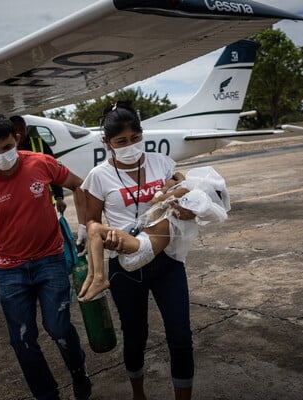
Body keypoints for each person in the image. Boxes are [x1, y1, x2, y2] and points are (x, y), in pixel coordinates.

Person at [0, 113, 91, 400]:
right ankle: (46, 395)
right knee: (22, 339)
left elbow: (79, 185)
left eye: (7, 147)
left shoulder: (41, 163)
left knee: (58, 326)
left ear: (17, 139)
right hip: (9, 269)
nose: (3, 155)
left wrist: (85, 226)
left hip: (50, 260)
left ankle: (78, 371)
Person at [81, 101, 197, 400]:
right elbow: (92, 221)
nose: (130, 146)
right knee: (135, 337)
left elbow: (184, 194)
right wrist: (106, 239)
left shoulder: (162, 163)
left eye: (135, 138)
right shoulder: (98, 176)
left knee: (181, 337)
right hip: (127, 266)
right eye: (121, 142)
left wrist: (188, 211)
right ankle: (138, 394)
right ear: (107, 143)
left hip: (167, 261)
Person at [78, 167, 229, 302]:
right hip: (142, 248)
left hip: (142, 248)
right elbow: (176, 175)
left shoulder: (188, 193)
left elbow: (156, 200)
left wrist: (164, 190)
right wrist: (177, 181)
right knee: (94, 230)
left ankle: (96, 276)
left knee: (94, 229)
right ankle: (94, 277)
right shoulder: (195, 204)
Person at [10, 115, 67, 213]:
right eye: (16, 130)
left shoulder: (39, 143)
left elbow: (54, 170)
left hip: (42, 198)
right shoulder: (7, 149)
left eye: (22, 129)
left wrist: (59, 197)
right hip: (19, 201)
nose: (20, 133)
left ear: (26, 128)